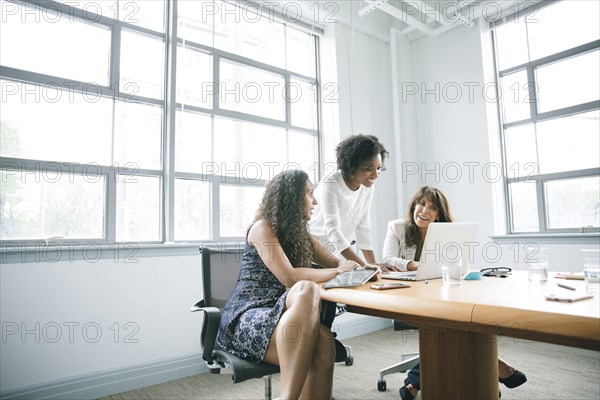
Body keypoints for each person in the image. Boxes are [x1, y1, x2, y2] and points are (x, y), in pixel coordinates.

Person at [217, 169, 362, 400]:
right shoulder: (262, 228)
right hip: (248, 315)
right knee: (306, 288)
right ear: (291, 198)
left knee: (324, 341)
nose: (315, 201)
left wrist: (366, 267)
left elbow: (335, 261)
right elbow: (289, 277)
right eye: (309, 193)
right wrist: (337, 271)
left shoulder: (300, 234)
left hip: (282, 314)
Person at [382, 186, 527, 400]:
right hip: (407, 296)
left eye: (432, 208)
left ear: (438, 214)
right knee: (455, 325)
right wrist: (416, 265)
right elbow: (387, 260)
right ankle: (494, 368)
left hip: (439, 294)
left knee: (461, 321)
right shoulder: (397, 228)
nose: (424, 210)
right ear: (414, 206)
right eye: (421, 204)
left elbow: (457, 265)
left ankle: (413, 384)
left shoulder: (447, 233)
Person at [309, 134, 392, 268]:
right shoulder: (331, 184)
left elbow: (363, 226)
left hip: (333, 254)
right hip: (312, 254)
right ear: (352, 166)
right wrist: (364, 267)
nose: (376, 175)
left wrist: (373, 264)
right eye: (368, 169)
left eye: (378, 168)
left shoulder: (367, 187)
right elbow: (333, 231)